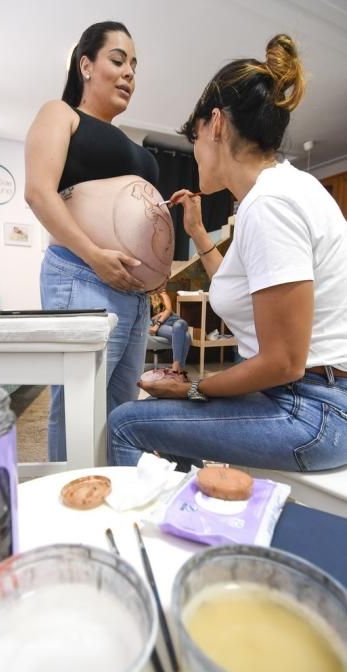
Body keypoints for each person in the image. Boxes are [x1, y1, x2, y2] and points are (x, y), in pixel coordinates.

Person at [109, 33, 347, 472]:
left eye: (195, 136)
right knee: (169, 414)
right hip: (312, 397)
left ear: (215, 124)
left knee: (126, 422)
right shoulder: (282, 191)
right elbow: (241, 288)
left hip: (315, 411)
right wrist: (198, 232)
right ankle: (195, 514)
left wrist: (194, 390)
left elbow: (284, 361)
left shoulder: (270, 204)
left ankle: (149, 532)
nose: (196, 151)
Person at [24, 21, 173, 461]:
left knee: (120, 412)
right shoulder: (61, 113)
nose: (129, 73)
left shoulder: (130, 143)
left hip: (134, 292)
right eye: (118, 59)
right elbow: (37, 192)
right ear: (85, 65)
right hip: (82, 275)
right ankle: (70, 515)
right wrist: (94, 255)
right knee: (77, 408)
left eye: (134, 66)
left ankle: (109, 501)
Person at [147, 288, 190, 374]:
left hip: (175, 320)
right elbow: (147, 318)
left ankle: (175, 365)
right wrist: (158, 317)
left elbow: (168, 310)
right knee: (186, 336)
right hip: (162, 326)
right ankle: (180, 369)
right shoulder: (144, 297)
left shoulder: (162, 294)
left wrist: (158, 322)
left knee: (178, 326)